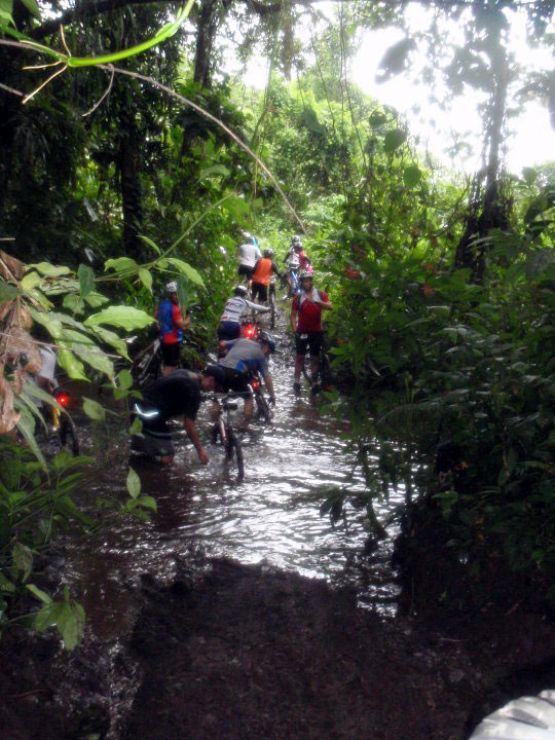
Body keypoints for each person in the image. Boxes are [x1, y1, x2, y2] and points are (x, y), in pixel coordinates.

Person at [131, 368, 218, 465]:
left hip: (137, 404)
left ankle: (137, 464)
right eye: (214, 386)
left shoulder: (186, 373)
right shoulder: (194, 391)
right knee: (168, 456)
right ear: (211, 380)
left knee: (145, 447)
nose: (212, 390)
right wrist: (200, 451)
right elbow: (188, 425)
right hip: (147, 414)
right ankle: (149, 475)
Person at [210, 332, 276, 428]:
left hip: (221, 369)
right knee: (248, 398)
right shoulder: (260, 355)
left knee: (217, 398)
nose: (268, 355)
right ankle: (244, 426)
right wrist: (272, 396)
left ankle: (216, 425)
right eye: (269, 352)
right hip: (235, 372)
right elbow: (267, 378)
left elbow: (222, 344)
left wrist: (224, 354)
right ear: (266, 347)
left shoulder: (241, 340)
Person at [290, 271, 332, 394]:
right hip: (302, 331)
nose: (306, 283)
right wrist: (294, 329)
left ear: (311, 282)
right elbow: (293, 315)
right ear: (301, 283)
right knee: (300, 357)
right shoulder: (298, 298)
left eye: (308, 280)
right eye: (303, 281)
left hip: (316, 331)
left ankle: (314, 382)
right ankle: (296, 381)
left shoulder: (320, 294)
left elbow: (330, 306)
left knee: (314, 357)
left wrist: (317, 302)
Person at [156, 281, 190, 376]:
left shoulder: (162, 304)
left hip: (163, 338)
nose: (178, 297)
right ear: (171, 295)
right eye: (176, 294)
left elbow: (156, 317)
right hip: (172, 341)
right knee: (170, 366)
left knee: (166, 363)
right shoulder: (174, 308)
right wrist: (188, 317)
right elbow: (182, 326)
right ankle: (163, 386)